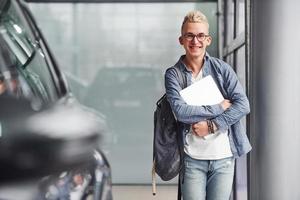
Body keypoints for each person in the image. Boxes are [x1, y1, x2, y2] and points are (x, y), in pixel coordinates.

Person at [164, 10, 251, 200]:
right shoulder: (174, 75)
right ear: (182, 40)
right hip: (191, 160)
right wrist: (220, 107)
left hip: (224, 159)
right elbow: (180, 112)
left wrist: (211, 126)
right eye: (190, 35)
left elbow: (243, 105)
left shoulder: (222, 70)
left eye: (200, 35)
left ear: (208, 40)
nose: (195, 41)